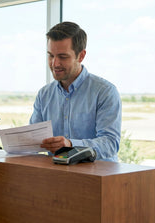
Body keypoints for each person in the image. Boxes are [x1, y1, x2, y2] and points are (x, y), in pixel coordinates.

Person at [30, 21, 121, 161]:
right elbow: (34, 140)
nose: (55, 63)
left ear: (81, 56)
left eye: (62, 57)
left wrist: (71, 145)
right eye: (51, 55)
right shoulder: (44, 94)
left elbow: (110, 143)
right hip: (58, 175)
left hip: (98, 176)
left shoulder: (105, 92)